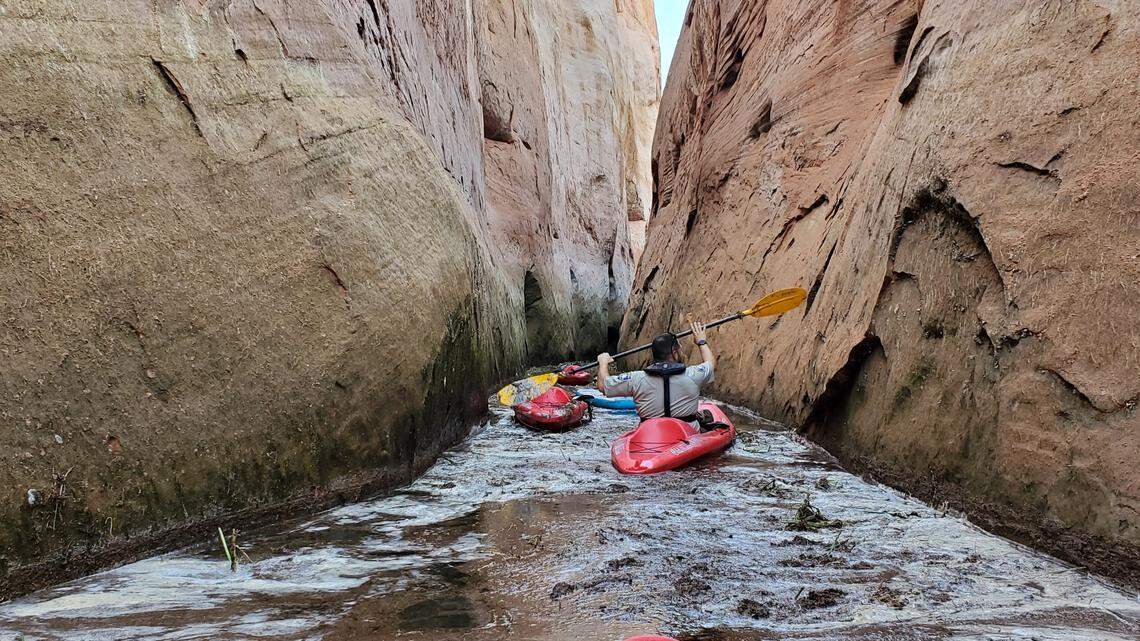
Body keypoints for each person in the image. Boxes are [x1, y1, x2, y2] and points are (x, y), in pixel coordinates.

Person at [597, 320, 715, 427]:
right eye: (680, 349)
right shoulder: (693, 375)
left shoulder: (636, 379)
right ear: (674, 353)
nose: (682, 352)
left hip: (650, 438)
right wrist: (701, 342)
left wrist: (603, 363)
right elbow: (710, 364)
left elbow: (603, 386)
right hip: (687, 435)